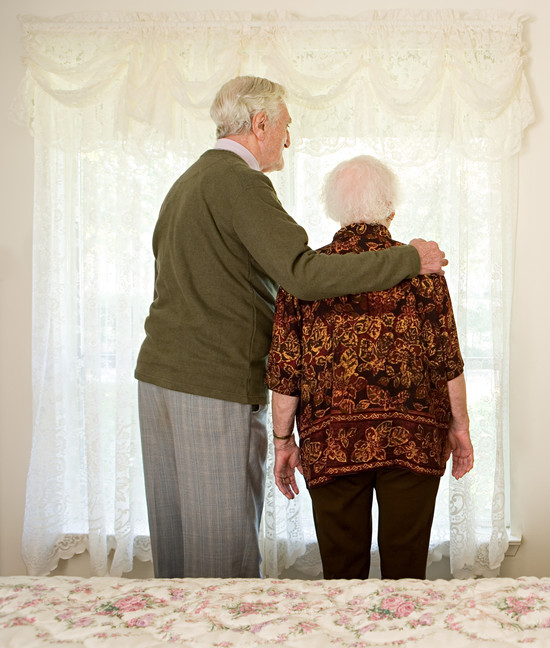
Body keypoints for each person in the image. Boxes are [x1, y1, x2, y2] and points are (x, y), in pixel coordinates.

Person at [134, 76, 448, 579]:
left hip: (160, 378)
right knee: (223, 556)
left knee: (176, 553)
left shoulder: (189, 182)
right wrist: (408, 258)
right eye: (284, 125)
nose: (287, 137)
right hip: (208, 382)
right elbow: (304, 274)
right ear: (260, 124)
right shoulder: (239, 182)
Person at [266, 155, 474, 580]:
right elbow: (446, 359)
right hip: (414, 439)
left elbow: (285, 371)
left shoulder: (304, 277)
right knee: (406, 572)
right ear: (391, 211)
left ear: (334, 211)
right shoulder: (422, 268)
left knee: (342, 575)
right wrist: (461, 428)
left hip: (332, 440)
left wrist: (283, 441)